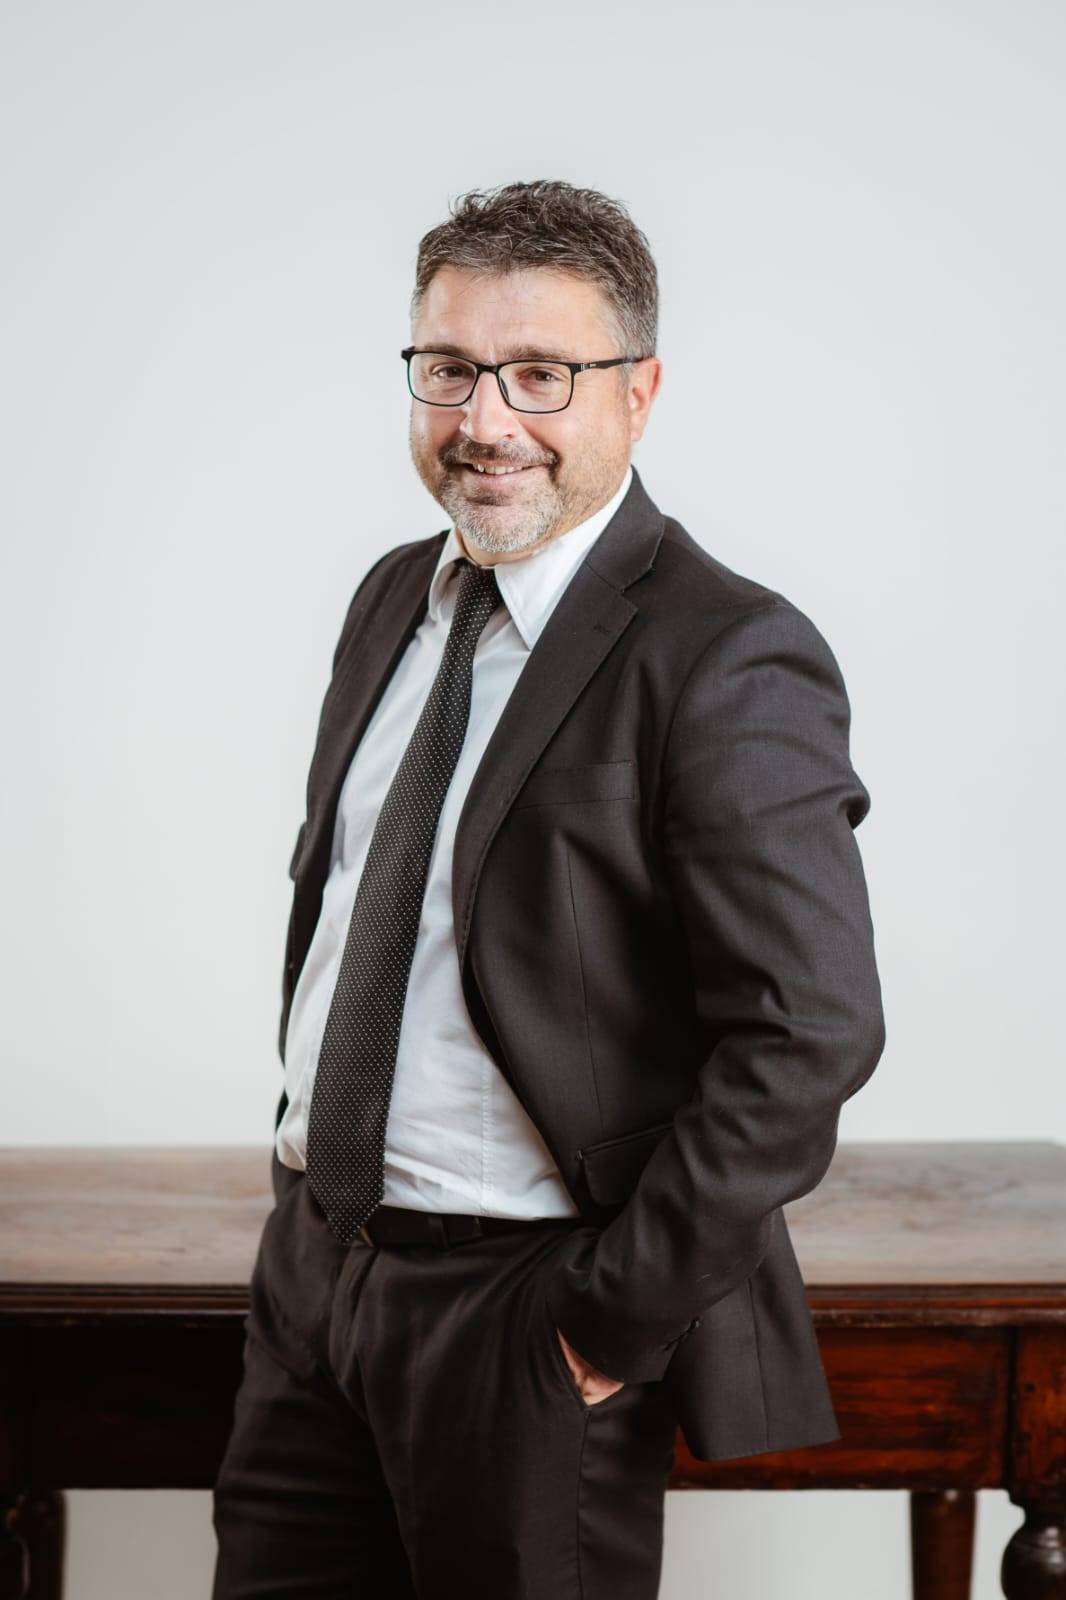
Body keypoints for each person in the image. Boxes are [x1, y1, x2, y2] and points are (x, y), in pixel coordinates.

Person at [211, 178, 886, 1600]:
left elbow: (808, 1032)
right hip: (315, 1277)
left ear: (638, 393)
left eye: (540, 374)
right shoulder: (393, 599)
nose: (485, 420)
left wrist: (602, 1323)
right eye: (449, 369)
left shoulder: (724, 652)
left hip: (522, 1309)